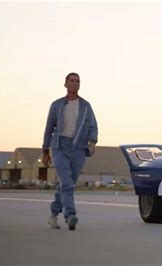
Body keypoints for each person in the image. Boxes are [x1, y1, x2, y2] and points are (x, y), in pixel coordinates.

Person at [42, 72, 98, 230]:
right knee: (66, 182)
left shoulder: (86, 106)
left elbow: (93, 125)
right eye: (71, 81)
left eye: (77, 81)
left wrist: (92, 142)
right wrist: (45, 151)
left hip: (79, 148)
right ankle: (70, 215)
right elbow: (48, 128)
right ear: (65, 84)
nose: (75, 83)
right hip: (60, 146)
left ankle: (53, 214)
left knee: (68, 184)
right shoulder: (57, 105)